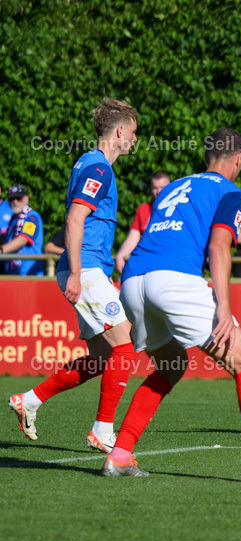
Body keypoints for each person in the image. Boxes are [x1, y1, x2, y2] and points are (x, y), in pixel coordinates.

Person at [107, 128, 241, 483]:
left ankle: (120, 454)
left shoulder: (172, 186)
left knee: (171, 365)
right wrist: (224, 308)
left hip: (134, 282)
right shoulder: (230, 191)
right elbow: (218, 246)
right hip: (173, 281)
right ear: (238, 160)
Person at [8, 99, 139, 453]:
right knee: (125, 347)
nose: (135, 141)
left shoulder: (86, 162)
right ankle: (102, 430)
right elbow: (75, 219)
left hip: (88, 267)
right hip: (88, 267)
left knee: (102, 357)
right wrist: (79, 274)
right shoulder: (99, 169)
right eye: (134, 133)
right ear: (120, 131)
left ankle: (31, 400)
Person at [115, 171, 170, 274]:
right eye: (155, 187)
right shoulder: (144, 209)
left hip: (169, 265)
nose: (158, 191)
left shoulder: (178, 210)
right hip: (147, 265)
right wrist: (121, 255)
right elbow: (133, 238)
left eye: (162, 187)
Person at [0, 184, 45, 276]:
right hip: (13, 274)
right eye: (12, 199)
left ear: (26, 199)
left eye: (18, 198)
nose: (15, 202)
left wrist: (1, 250)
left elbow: (23, 239)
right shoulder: (14, 219)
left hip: (30, 275)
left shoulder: (32, 217)